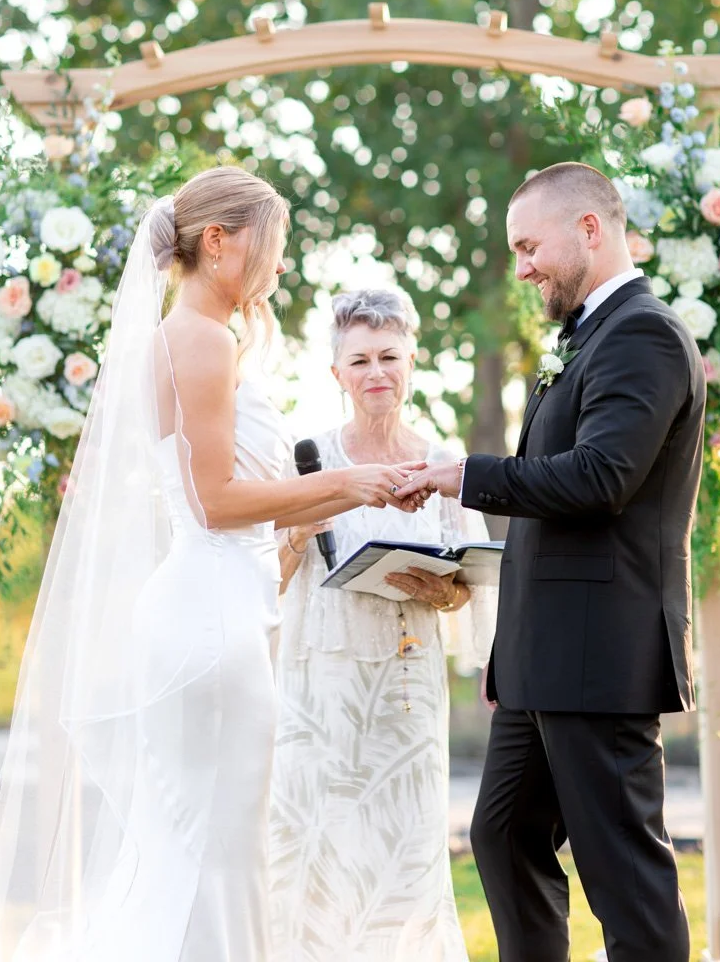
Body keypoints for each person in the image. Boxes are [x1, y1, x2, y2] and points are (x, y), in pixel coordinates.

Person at [0, 167, 421, 962]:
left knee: (195, 850)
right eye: (272, 247)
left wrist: (366, 494)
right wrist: (348, 480)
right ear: (219, 243)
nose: (280, 267)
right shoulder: (202, 339)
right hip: (210, 619)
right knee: (215, 855)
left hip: (214, 605)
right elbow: (216, 501)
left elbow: (242, 499)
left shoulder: (193, 337)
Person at [397, 162, 705, 962]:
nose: (523, 265)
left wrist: (465, 473)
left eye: (530, 245)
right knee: (501, 837)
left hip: (600, 654)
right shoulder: (589, 337)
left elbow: (602, 479)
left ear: (590, 230)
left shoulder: (643, 333)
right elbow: (549, 512)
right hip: (543, 659)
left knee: (626, 878)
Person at [269, 288, 497, 962]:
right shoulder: (305, 458)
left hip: (405, 690)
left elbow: (467, 589)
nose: (377, 372)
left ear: (413, 360)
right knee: (316, 863)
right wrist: (299, 530)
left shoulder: (443, 462)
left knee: (404, 862)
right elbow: (270, 581)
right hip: (319, 691)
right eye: (360, 359)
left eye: (389, 356)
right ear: (335, 373)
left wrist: (444, 592)